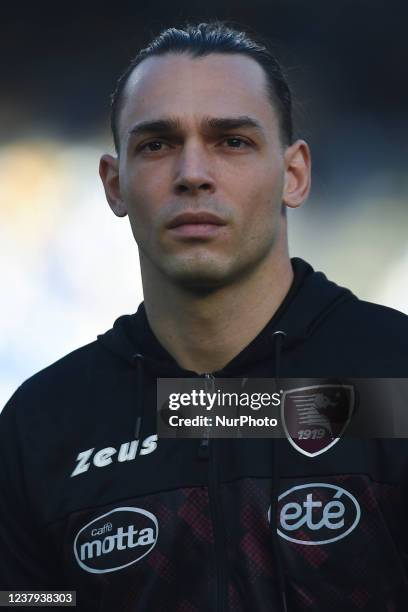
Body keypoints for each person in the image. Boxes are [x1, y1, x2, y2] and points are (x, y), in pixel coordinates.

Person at [1, 22, 408, 612]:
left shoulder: (393, 378)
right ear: (114, 185)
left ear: (293, 175)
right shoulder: (45, 426)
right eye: (157, 144)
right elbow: (27, 603)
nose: (193, 173)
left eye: (232, 141)